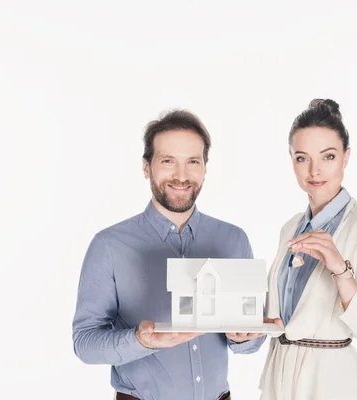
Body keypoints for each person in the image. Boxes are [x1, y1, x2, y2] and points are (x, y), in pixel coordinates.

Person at [73, 110, 267, 400]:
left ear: (204, 167)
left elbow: (250, 342)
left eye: (192, 162)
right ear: (146, 167)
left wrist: (245, 336)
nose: (181, 175)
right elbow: (84, 342)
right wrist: (138, 341)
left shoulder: (234, 239)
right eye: (168, 161)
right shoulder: (109, 246)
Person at [259, 99, 357, 400]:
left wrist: (340, 270)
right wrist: (252, 326)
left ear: (346, 157)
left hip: (334, 388)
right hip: (280, 386)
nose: (315, 171)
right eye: (302, 158)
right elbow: (286, 320)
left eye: (328, 156)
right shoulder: (290, 228)